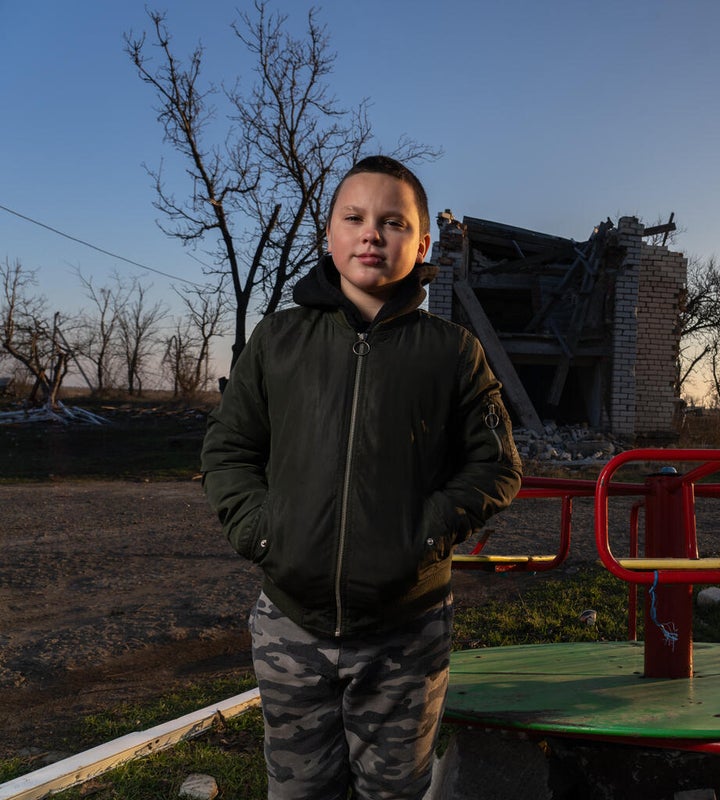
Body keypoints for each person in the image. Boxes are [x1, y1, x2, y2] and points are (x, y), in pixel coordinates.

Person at [201, 155, 522, 799]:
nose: (372, 233)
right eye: (354, 217)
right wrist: (266, 534)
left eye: (393, 222)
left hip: (406, 633)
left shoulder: (451, 352)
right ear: (330, 235)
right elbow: (228, 450)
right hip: (292, 625)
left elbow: (496, 465)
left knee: (394, 793)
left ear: (423, 243)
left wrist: (422, 534)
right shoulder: (278, 340)